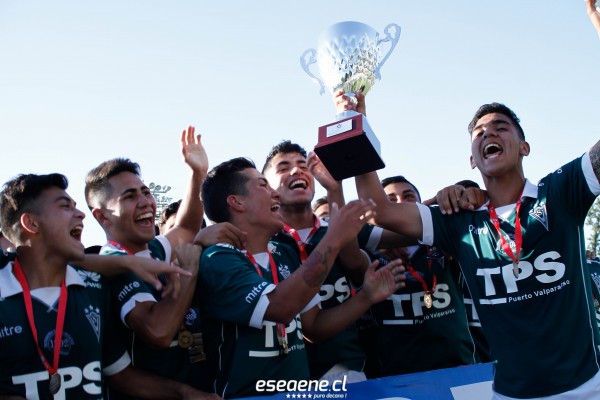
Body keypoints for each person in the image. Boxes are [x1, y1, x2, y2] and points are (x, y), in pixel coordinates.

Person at [340, 3, 600, 396]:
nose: (487, 133)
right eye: (478, 131)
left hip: (586, 388)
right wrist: (358, 124)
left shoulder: (560, 193)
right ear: (471, 158)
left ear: (524, 146)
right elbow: (376, 208)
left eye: (500, 127)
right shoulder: (455, 218)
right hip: (508, 392)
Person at [197, 157, 404, 399]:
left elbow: (313, 327)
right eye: (263, 185)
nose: (275, 194)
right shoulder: (218, 259)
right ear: (237, 201)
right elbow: (281, 307)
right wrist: (334, 238)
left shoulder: (284, 253)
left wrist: (366, 296)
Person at [0, 173, 219, 399]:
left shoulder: (95, 288)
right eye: (65, 206)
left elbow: (119, 374)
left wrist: (187, 394)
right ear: (31, 223)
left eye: (145, 192)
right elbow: (158, 331)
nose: (80, 214)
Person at [84, 126, 212, 395]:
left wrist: (197, 174)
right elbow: (159, 330)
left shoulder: (153, 249)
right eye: (130, 196)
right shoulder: (115, 265)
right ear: (102, 217)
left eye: (145, 192)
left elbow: (187, 227)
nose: (146, 202)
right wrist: (188, 271)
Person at [262, 141, 393, 382]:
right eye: (283, 167)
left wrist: (334, 189)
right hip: (280, 381)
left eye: (303, 165)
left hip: (344, 373)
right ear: (266, 186)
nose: (296, 171)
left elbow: (356, 263)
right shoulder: (258, 241)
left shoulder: (335, 228)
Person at [370, 175, 477, 375]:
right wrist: (379, 239)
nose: (401, 203)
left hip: (458, 370)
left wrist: (452, 194)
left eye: (408, 196)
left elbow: (470, 200)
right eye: (390, 200)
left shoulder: (444, 241)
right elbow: (344, 228)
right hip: (397, 378)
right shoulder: (370, 254)